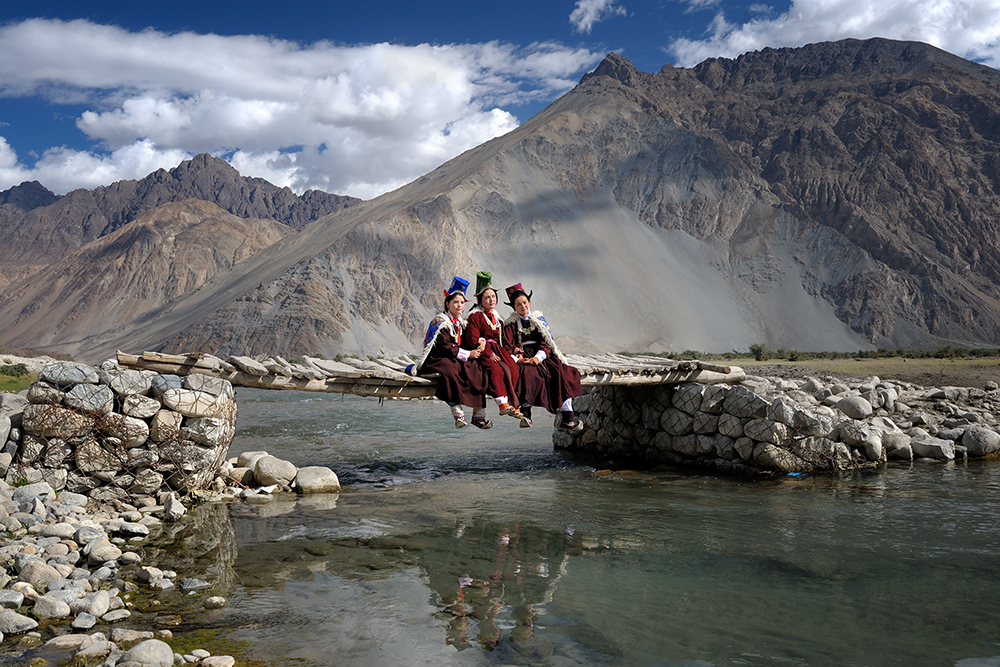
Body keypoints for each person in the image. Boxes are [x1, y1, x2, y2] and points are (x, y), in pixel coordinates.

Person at [410, 276, 491, 429]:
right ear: (448, 304)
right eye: (455, 302)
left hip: (455, 356)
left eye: (462, 302)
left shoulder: (461, 322)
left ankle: (478, 413)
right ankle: (457, 410)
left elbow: (468, 339)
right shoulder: (440, 322)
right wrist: (467, 354)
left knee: (477, 368)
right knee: (451, 370)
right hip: (437, 358)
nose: (459, 305)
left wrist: (480, 341)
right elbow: (443, 346)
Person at [501, 282, 582, 431]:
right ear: (514, 308)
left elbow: (547, 342)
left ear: (529, 302)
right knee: (526, 374)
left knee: (561, 373)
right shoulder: (509, 325)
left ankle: (567, 417)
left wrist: (538, 357)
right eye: (518, 305)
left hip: (542, 355)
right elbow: (507, 345)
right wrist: (518, 358)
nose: (523, 307)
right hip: (522, 356)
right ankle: (526, 414)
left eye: (525, 303)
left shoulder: (538, 320)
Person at [462, 271, 526, 425]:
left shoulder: (497, 318)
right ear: (480, 300)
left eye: (493, 296)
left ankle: (514, 404)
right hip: (484, 351)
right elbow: (472, 339)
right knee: (495, 369)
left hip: (499, 350)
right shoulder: (475, 316)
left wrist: (514, 350)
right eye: (487, 297)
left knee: (513, 367)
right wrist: (488, 353)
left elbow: (504, 340)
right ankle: (501, 403)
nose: (491, 299)